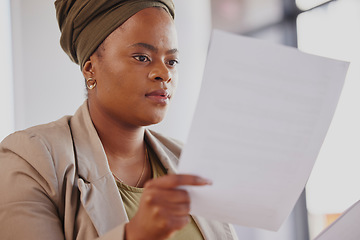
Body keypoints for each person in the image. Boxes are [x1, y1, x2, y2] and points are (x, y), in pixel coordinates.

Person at [0, 0, 238, 239]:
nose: (164, 73)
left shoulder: (189, 162)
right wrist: (135, 234)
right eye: (142, 57)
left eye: (171, 61)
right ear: (90, 68)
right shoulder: (30, 160)